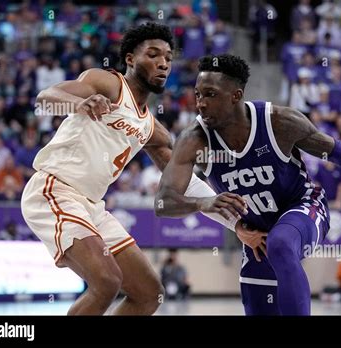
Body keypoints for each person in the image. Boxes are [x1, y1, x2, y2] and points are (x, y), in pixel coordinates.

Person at [21, 23, 249, 316]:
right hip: (55, 189)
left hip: (92, 206)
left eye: (168, 57)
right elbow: (45, 100)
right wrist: (80, 102)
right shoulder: (108, 84)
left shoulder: (153, 129)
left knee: (149, 294)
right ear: (130, 59)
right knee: (106, 282)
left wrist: (239, 226)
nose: (163, 63)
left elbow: (185, 184)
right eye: (153, 55)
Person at [155, 54, 341, 315]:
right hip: (256, 235)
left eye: (210, 94)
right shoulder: (195, 139)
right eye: (197, 95)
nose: (200, 104)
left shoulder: (278, 122)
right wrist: (205, 202)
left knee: (281, 243)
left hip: (304, 208)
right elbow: (163, 201)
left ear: (236, 96)